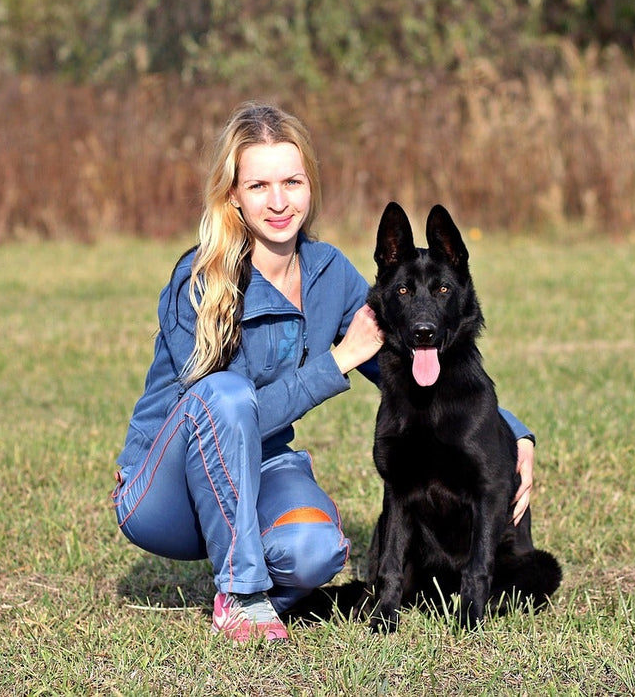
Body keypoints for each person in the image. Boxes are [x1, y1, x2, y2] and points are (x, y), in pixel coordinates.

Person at [111, 101, 537, 642]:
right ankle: (243, 594)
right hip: (164, 489)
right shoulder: (200, 279)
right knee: (227, 395)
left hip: (257, 473)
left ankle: (248, 582)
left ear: (310, 186)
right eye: (259, 186)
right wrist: (337, 360)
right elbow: (221, 421)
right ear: (233, 196)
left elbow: (412, 364)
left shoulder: (328, 271)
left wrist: (510, 433)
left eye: (292, 181)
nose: (280, 201)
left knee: (316, 554)